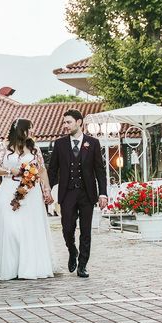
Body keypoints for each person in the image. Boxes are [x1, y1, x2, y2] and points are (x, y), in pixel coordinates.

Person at [0, 119, 57, 280]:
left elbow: (42, 170)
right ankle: (9, 267)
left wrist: (46, 189)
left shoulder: (34, 148)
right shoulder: (4, 147)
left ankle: (29, 266)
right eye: (30, 128)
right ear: (20, 130)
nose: (33, 131)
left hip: (31, 192)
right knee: (11, 228)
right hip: (8, 190)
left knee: (29, 229)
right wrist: (10, 171)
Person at [48, 109, 107, 278]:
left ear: (79, 122)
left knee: (86, 231)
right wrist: (46, 191)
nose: (65, 125)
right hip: (67, 193)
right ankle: (72, 251)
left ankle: (82, 265)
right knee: (67, 228)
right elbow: (53, 170)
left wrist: (103, 193)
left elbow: (100, 171)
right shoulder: (60, 144)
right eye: (64, 122)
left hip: (87, 194)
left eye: (68, 122)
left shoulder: (93, 143)